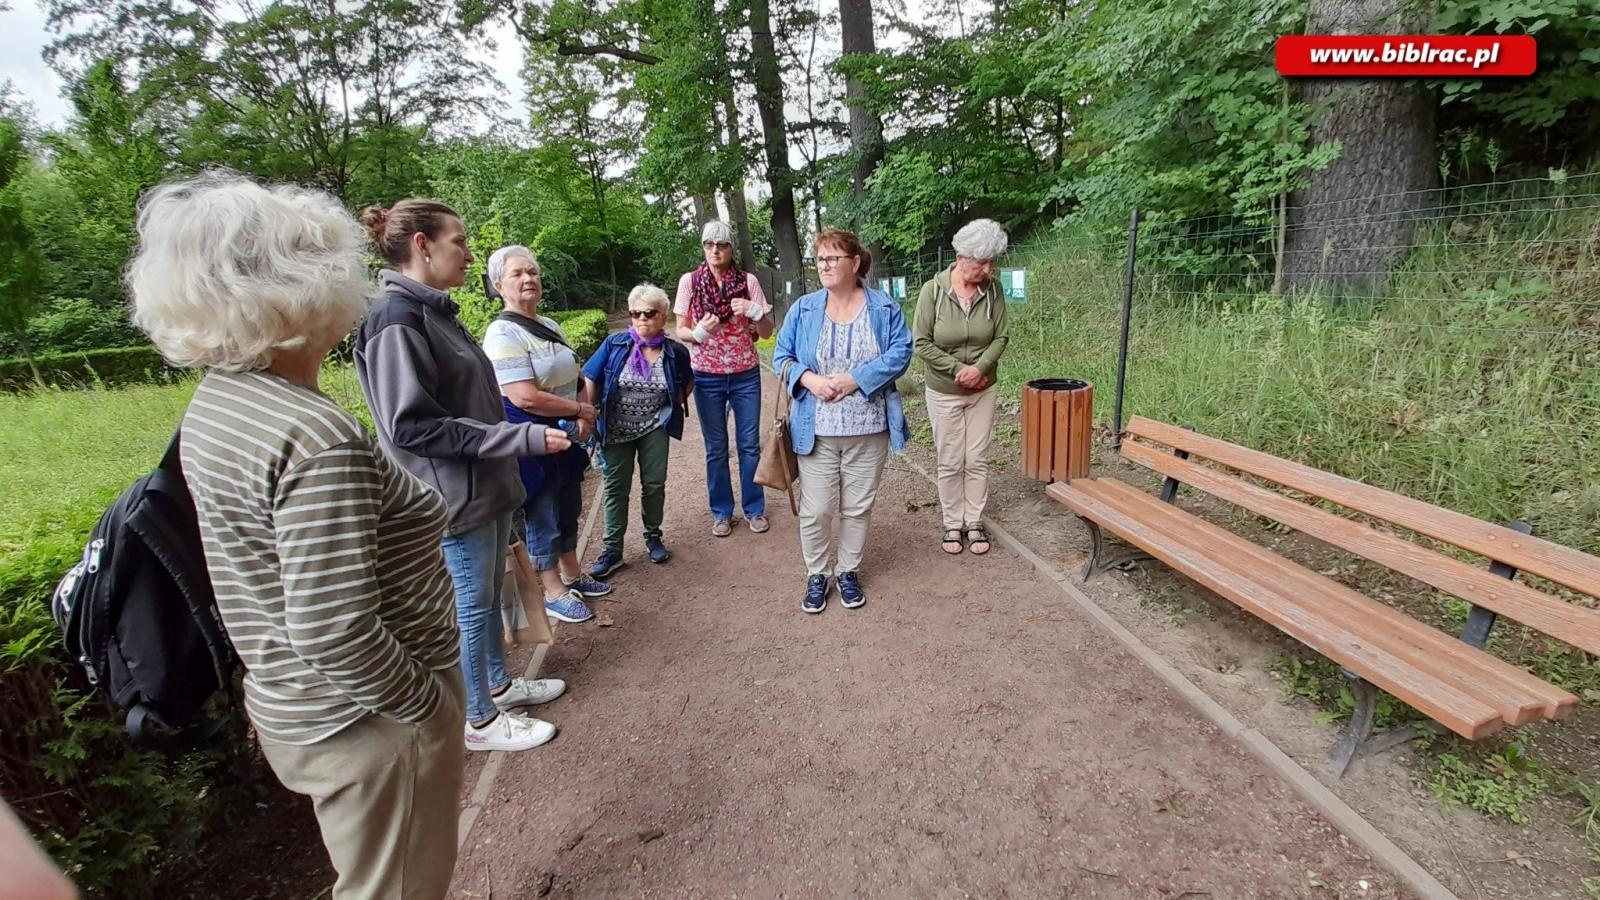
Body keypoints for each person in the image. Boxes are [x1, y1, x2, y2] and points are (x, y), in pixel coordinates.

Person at [129, 173, 488, 898]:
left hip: (300, 706)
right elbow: (334, 631)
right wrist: (428, 708)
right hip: (370, 723)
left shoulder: (221, 402)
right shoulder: (309, 434)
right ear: (303, 283)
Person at [355, 199, 572, 756]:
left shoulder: (434, 312)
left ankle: (497, 686)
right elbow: (414, 427)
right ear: (422, 246)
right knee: (472, 605)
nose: (471, 255)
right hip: (454, 499)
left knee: (492, 592)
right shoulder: (395, 319)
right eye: (459, 241)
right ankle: (478, 717)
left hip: (486, 489)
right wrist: (518, 439)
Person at [772, 228, 913, 614]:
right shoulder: (804, 308)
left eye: (833, 258)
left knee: (857, 508)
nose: (825, 265)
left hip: (870, 428)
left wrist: (856, 379)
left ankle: (848, 571)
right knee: (816, 509)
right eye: (820, 259)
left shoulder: (883, 308)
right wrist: (809, 379)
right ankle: (817, 574)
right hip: (815, 429)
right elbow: (780, 357)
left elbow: (902, 352)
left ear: (855, 262)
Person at [482, 245, 609, 624]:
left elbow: (577, 374)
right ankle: (552, 588)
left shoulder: (550, 326)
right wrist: (579, 410)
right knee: (543, 508)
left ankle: (572, 572)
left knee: (569, 502)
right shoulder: (502, 332)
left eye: (533, 272)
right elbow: (524, 396)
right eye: (518, 274)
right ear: (498, 284)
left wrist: (582, 412)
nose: (528, 279)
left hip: (566, 428)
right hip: (530, 434)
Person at [913, 218, 1012, 556]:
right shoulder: (933, 291)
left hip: (983, 388)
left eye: (991, 262)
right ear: (959, 256)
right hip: (944, 390)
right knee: (951, 459)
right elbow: (921, 343)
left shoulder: (993, 289)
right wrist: (959, 370)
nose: (987, 269)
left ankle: (974, 521)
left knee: (977, 457)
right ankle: (953, 522)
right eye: (980, 261)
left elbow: (1001, 335)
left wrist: (981, 368)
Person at [583, 284, 694, 578]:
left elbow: (687, 382)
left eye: (649, 313)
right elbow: (590, 377)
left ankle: (653, 536)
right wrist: (589, 413)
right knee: (616, 488)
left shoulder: (675, 352)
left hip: (654, 427)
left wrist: (670, 407)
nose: (642, 318)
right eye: (636, 313)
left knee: (654, 483)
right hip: (616, 430)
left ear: (663, 315)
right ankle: (612, 550)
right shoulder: (615, 345)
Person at [672, 221, 775, 537]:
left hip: (745, 374)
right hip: (706, 376)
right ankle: (721, 512)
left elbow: (768, 332)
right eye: (709, 244)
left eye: (722, 244)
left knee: (748, 445)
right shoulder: (690, 282)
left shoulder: (748, 281)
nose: (715, 250)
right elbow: (680, 329)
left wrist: (755, 311)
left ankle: (754, 509)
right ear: (703, 248)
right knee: (715, 447)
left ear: (731, 249)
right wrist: (699, 333)